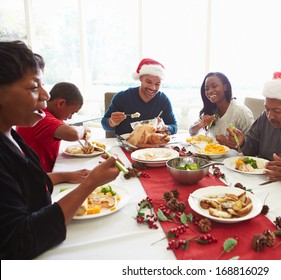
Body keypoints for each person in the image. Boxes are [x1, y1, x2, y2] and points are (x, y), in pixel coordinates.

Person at [0, 40, 120, 259]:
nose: (46, 95)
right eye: (34, 87)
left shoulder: (10, 134)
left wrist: (69, 176)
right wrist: (91, 183)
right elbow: (20, 242)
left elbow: (29, 183)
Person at [16, 82, 87, 172]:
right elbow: (74, 134)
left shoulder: (44, 113)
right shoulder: (40, 117)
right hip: (39, 178)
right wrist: (83, 129)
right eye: (72, 113)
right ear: (61, 103)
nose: (69, 117)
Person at [101, 58, 178, 136]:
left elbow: (174, 127)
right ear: (140, 78)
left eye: (157, 84)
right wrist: (111, 122)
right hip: (124, 145)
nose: (153, 88)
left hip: (152, 145)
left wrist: (165, 127)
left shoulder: (163, 100)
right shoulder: (122, 97)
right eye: (148, 82)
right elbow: (105, 125)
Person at [188, 72, 254, 144]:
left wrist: (227, 142)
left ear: (225, 87)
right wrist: (200, 124)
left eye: (214, 86)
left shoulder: (241, 111)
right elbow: (191, 131)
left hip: (236, 155)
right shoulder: (212, 110)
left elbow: (253, 145)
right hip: (212, 153)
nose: (210, 91)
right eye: (207, 89)